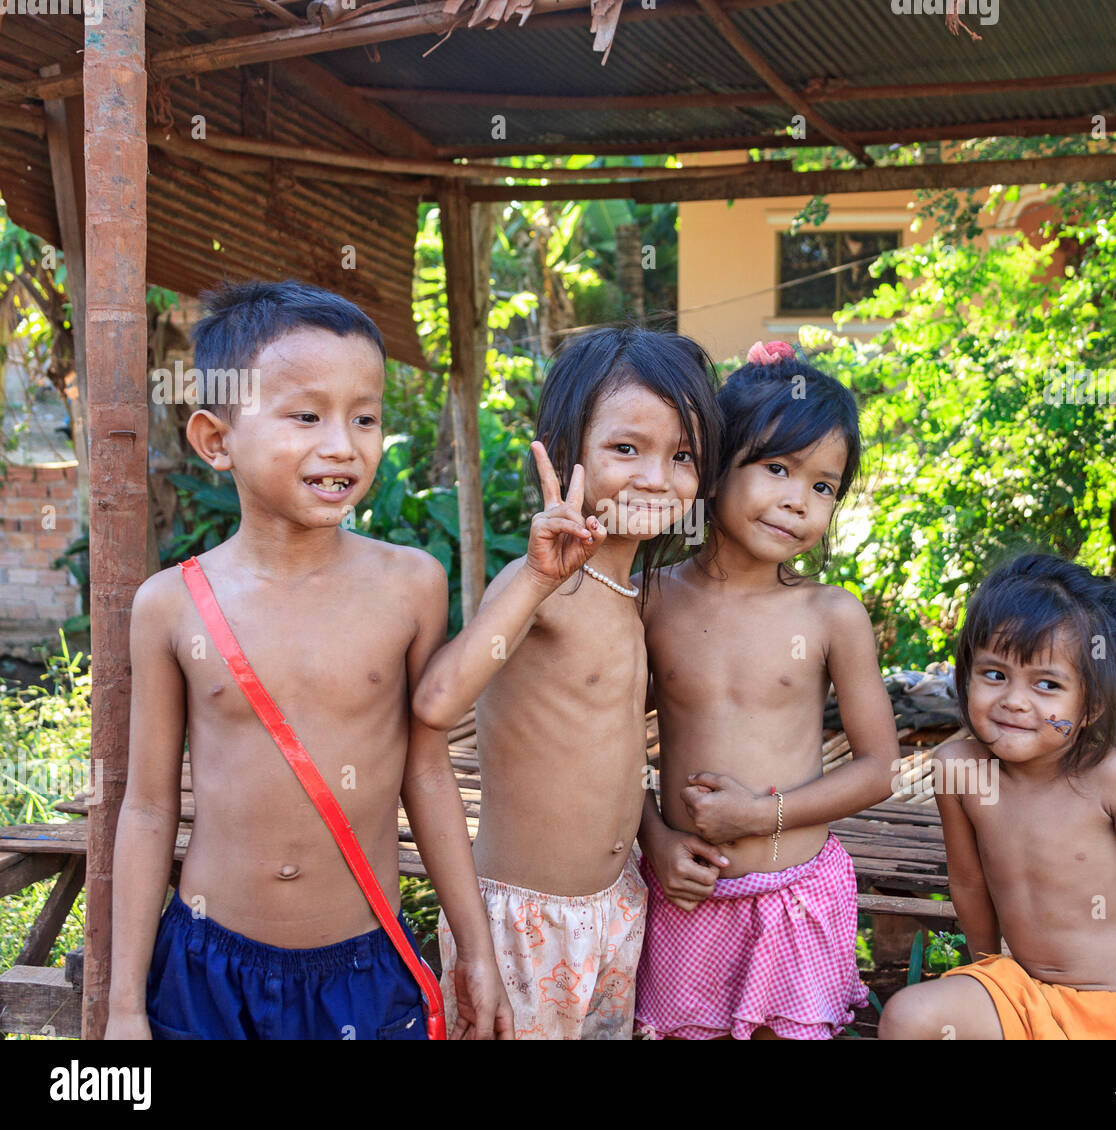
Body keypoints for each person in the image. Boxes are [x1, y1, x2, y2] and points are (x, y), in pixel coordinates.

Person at [106, 280, 524, 1040]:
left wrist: (476, 949)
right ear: (216, 439)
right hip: (208, 966)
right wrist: (125, 1006)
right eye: (307, 415)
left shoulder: (410, 585)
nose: (343, 444)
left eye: (364, 418)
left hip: (363, 967)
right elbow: (148, 806)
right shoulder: (171, 604)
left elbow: (425, 774)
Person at [414, 326, 723, 1040]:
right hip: (523, 922)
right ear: (565, 451)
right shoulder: (547, 587)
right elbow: (436, 703)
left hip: (613, 908)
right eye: (626, 449)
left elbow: (608, 757)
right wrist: (533, 578)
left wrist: (653, 837)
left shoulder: (632, 592)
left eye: (683, 456)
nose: (655, 476)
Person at [634, 340, 899, 1040]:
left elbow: (879, 770)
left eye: (823, 486)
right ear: (716, 470)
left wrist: (761, 816)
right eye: (778, 469)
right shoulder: (652, 599)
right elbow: (601, 740)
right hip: (686, 895)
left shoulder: (830, 614)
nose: (797, 501)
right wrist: (654, 836)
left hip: (797, 895)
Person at [879, 553, 1116, 1040]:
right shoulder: (958, 767)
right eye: (994, 675)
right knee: (907, 1017)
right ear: (966, 674)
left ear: (1091, 705)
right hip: (1025, 992)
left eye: (1047, 685)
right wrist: (987, 980)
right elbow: (968, 883)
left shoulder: (1113, 777)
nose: (1014, 700)